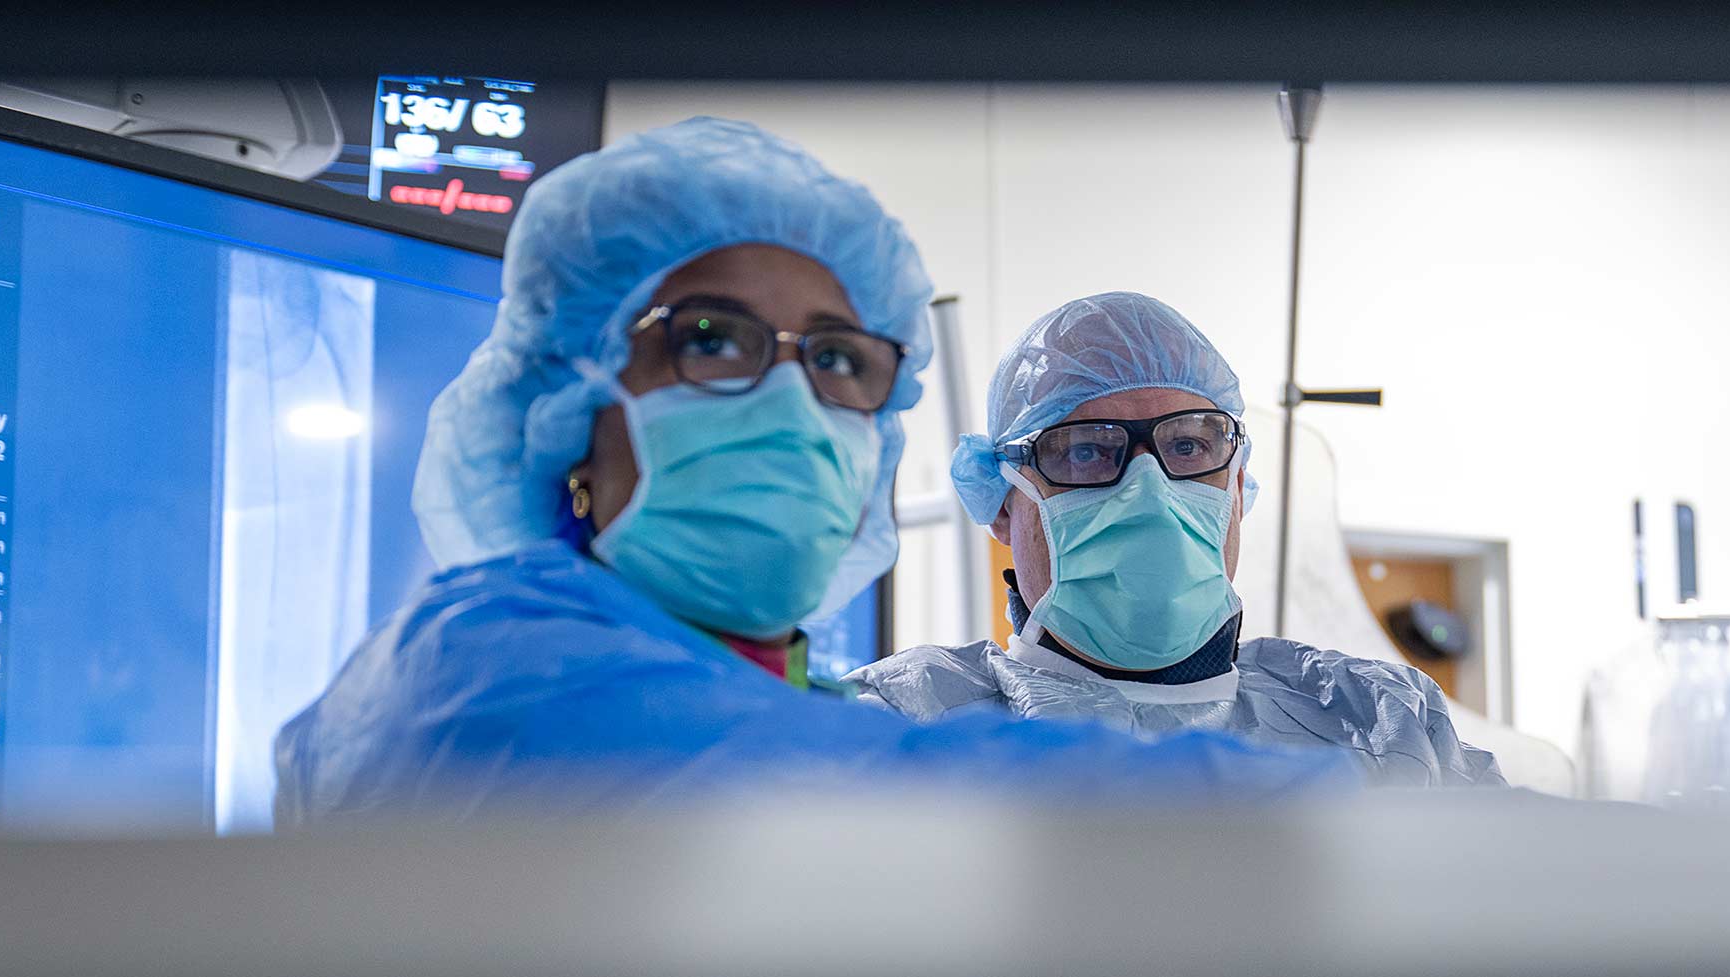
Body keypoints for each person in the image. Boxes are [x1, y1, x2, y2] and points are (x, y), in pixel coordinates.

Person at [275, 120, 1351, 826]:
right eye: (712, 339)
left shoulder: (794, 696)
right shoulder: (483, 669)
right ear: (570, 416)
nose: (791, 405)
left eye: (836, 359)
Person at [849, 292, 1507, 787]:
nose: (1149, 490)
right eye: (1084, 451)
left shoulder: (1388, 728)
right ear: (1002, 505)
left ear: (1237, 488)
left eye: (1190, 445)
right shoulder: (893, 730)